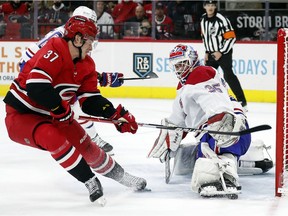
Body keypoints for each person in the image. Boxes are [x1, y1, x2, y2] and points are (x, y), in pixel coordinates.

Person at [3, 15, 147, 204]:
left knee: (88, 147)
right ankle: (91, 181)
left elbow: (89, 100)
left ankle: (123, 176)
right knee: (53, 138)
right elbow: (36, 85)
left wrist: (115, 114)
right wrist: (61, 109)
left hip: (56, 114)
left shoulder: (87, 65)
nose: (91, 46)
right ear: (77, 38)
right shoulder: (55, 48)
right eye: (90, 41)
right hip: (22, 115)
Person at [148, 44, 251, 199]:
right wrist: (172, 134)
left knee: (209, 158)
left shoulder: (201, 73)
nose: (179, 68)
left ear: (193, 60)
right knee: (185, 162)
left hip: (228, 132)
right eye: (175, 65)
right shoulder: (184, 85)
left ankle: (225, 172)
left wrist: (220, 118)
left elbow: (217, 104)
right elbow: (178, 119)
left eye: (182, 63)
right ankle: (244, 161)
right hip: (218, 135)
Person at [19, 6, 123, 156]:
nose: (93, 26)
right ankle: (90, 140)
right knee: (71, 104)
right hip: (32, 68)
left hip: (43, 69)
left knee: (73, 104)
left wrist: (99, 77)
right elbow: (39, 61)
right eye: (91, 22)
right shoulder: (64, 36)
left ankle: (90, 139)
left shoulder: (76, 34)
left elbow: (77, 70)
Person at [200, 1, 247, 109]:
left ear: (215, 6)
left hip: (224, 53)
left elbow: (231, 37)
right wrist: (207, 52)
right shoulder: (203, 19)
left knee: (228, 75)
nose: (210, 7)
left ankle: (241, 101)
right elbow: (205, 37)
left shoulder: (221, 19)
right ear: (204, 7)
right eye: (208, 5)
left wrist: (220, 51)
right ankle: (209, 100)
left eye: (212, 5)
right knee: (207, 77)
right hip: (211, 53)